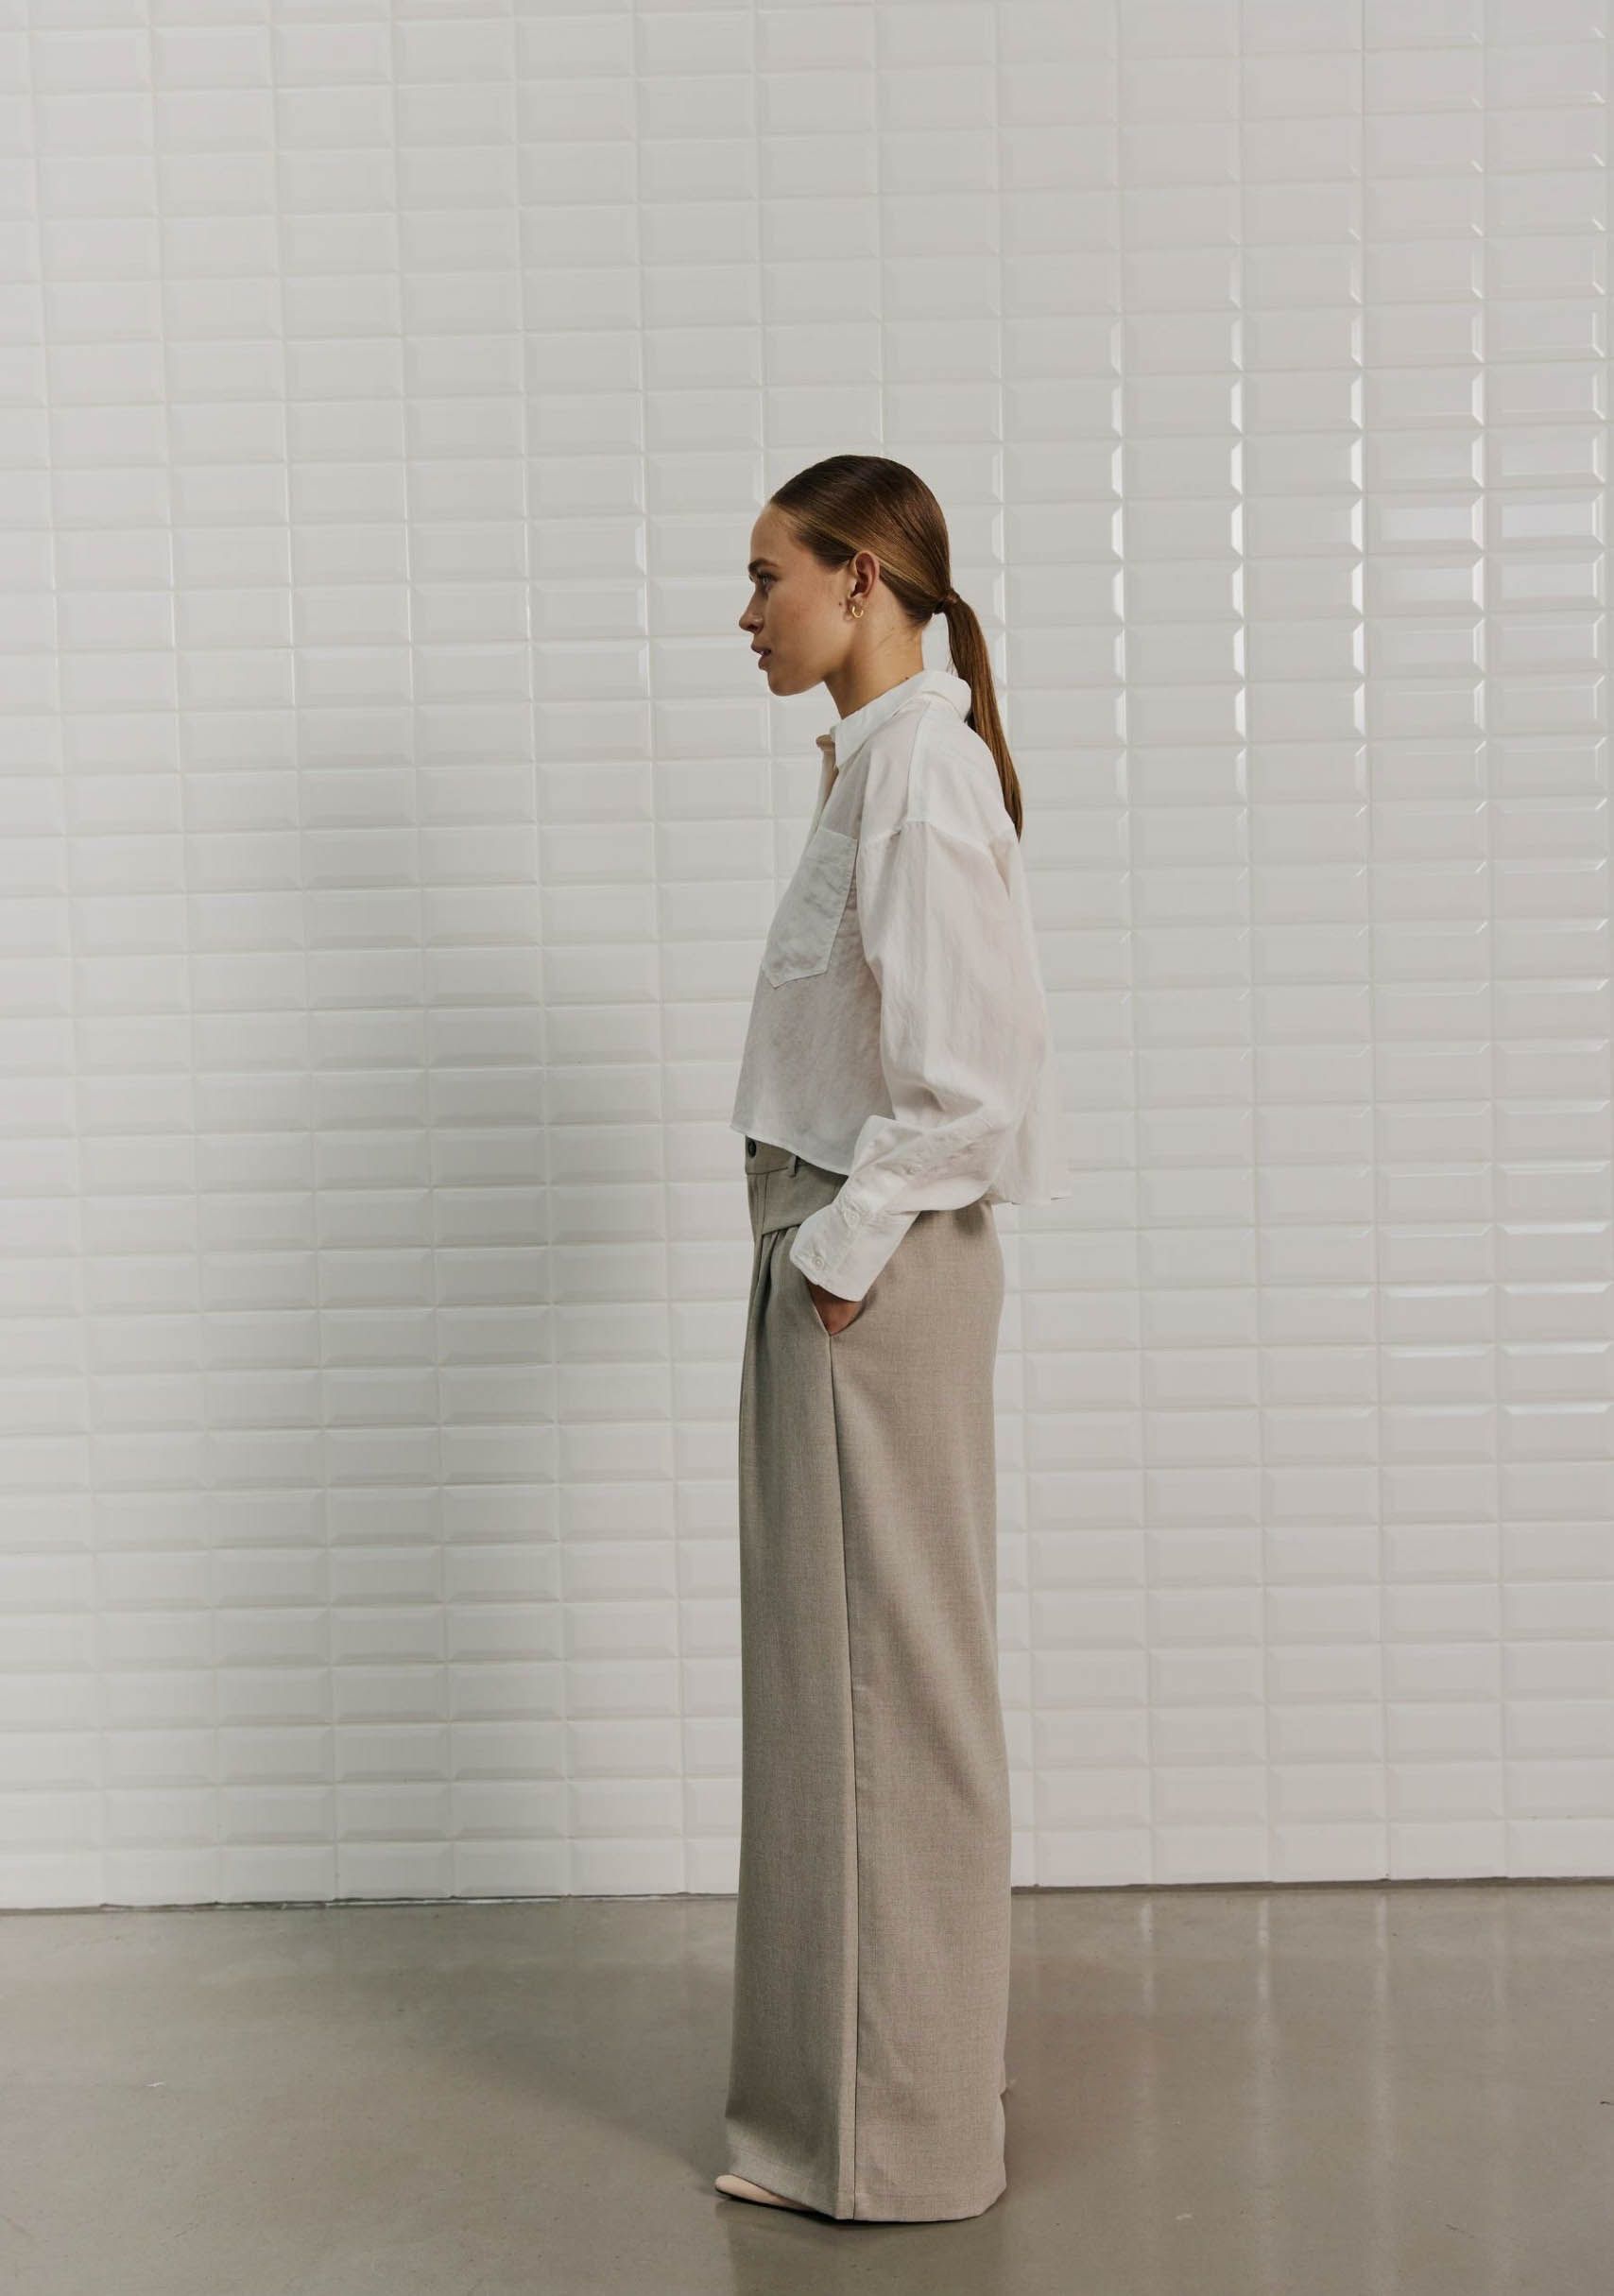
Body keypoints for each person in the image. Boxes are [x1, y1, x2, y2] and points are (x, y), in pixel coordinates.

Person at [716, 454, 1070, 2223]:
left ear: (861, 576)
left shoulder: (921, 766)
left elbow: (971, 1082)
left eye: (768, 574)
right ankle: (862, 2108)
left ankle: (896, 2138)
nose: (747, 613)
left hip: (870, 1260)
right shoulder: (885, 762)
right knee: (843, 1692)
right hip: (838, 1249)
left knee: (883, 1697)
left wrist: (840, 1261)